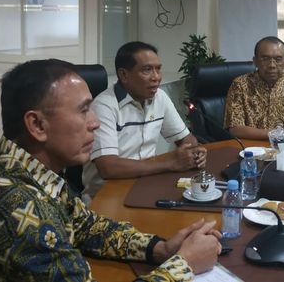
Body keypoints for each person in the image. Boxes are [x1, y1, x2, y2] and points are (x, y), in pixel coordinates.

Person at [0, 59, 221, 282]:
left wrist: (159, 248)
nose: (95, 122)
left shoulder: (8, 159)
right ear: (37, 125)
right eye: (83, 110)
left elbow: (85, 226)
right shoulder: (23, 209)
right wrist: (184, 264)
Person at [82, 42, 206, 201]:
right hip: (107, 195)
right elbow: (108, 167)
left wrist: (194, 152)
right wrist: (170, 162)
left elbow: (186, 139)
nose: (156, 77)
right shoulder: (104, 106)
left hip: (147, 184)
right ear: (124, 75)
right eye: (147, 70)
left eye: (158, 69)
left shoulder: (159, 97)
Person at [224, 36, 284, 140]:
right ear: (255, 61)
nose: (272, 65)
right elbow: (235, 129)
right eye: (265, 59)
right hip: (252, 149)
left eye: (278, 59)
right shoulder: (240, 84)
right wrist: (276, 135)